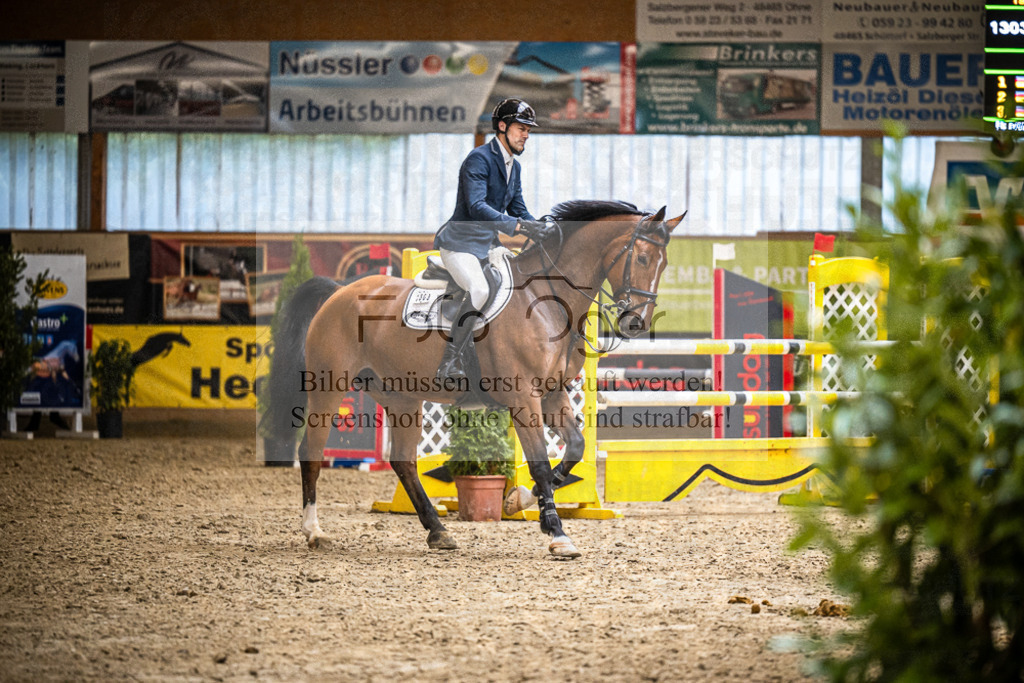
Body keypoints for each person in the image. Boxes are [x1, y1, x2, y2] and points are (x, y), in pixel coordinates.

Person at [433, 98, 555, 381]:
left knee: (519, 285)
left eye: (528, 130)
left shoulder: (515, 166)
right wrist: (518, 227)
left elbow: (518, 208)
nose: (526, 135)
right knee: (479, 290)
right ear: (502, 126)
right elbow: (476, 206)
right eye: (521, 128)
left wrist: (542, 229)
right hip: (460, 245)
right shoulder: (479, 159)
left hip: (487, 248)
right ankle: (449, 361)